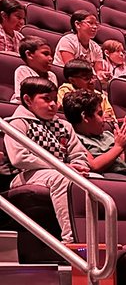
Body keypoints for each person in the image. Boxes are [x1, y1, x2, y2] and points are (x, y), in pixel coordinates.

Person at [6, 76, 89, 243]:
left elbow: (78, 155)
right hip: (26, 174)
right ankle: (72, 241)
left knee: (97, 180)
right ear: (28, 100)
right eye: (46, 99)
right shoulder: (17, 123)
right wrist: (62, 167)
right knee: (62, 179)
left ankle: (97, 238)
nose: (53, 105)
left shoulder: (64, 126)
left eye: (54, 99)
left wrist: (80, 167)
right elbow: (19, 158)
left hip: (63, 171)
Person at [62, 91, 126, 176]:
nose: (104, 119)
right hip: (111, 180)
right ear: (85, 117)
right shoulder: (75, 139)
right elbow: (94, 166)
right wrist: (119, 146)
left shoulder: (107, 135)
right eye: (100, 114)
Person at [53, 10, 104, 75]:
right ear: (77, 24)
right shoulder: (67, 40)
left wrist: (102, 74)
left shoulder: (96, 48)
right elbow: (71, 69)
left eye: (96, 24)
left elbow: (98, 71)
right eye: (90, 23)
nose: (95, 27)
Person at [13, 37, 54, 101]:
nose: (50, 58)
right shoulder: (23, 70)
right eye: (45, 54)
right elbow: (24, 99)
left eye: (51, 55)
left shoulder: (52, 76)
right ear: (29, 54)